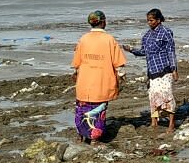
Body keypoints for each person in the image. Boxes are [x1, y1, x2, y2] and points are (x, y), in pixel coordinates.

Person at [71, 10, 127, 145]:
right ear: (103, 22)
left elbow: (76, 64)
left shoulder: (83, 39)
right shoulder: (109, 39)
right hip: (102, 82)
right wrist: (122, 76)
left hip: (84, 83)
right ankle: (96, 136)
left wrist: (75, 75)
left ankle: (81, 134)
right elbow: (118, 64)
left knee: (82, 109)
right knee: (98, 110)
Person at [123, 8, 178, 133]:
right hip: (152, 71)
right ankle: (154, 122)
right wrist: (131, 50)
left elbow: (171, 51)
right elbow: (143, 52)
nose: (149, 22)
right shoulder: (147, 36)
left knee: (167, 95)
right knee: (153, 96)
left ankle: (171, 124)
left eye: (151, 20)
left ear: (158, 20)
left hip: (165, 69)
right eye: (148, 20)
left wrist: (174, 69)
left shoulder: (166, 32)